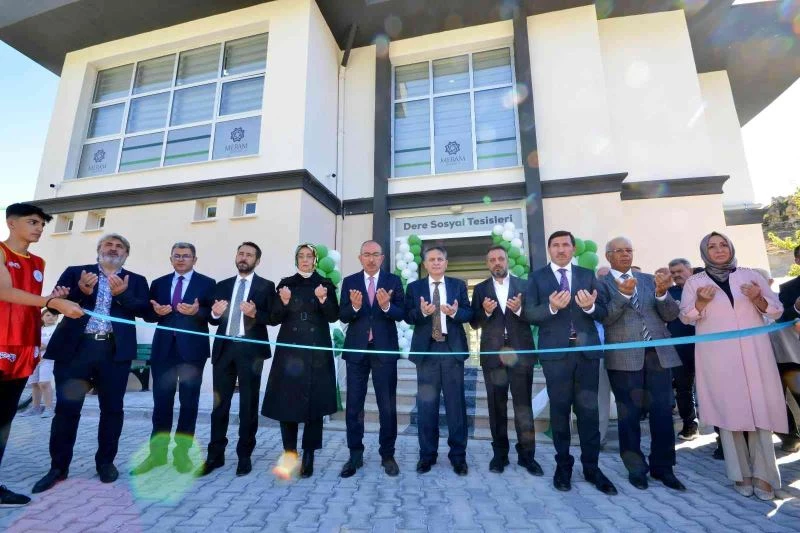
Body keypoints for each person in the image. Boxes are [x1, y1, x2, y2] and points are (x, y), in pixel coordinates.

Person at [33, 233, 149, 494]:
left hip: (114, 352)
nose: (113, 249)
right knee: (66, 410)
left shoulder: (136, 280)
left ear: (126, 254)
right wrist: (81, 292)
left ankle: (105, 463)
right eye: (108, 244)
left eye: (120, 246)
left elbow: (146, 312)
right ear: (98, 249)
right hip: (76, 351)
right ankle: (58, 467)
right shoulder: (75, 272)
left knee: (112, 410)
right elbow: (55, 307)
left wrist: (122, 295)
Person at [679, 232, 785, 500]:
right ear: (705, 252)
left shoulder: (750, 275)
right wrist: (701, 302)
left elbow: (776, 311)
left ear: (731, 247)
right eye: (712, 246)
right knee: (730, 412)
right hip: (718, 357)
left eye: (723, 244)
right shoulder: (694, 282)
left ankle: (764, 476)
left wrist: (758, 297)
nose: (719, 250)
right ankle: (741, 474)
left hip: (755, 353)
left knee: (759, 410)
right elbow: (686, 317)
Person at [0, 203, 80, 506]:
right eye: (33, 222)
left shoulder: (38, 262)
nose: (39, 228)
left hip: (25, 345)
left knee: (4, 419)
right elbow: (4, 291)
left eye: (42, 224)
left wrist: (53, 301)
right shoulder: (1, 252)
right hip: (1, 343)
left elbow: (29, 302)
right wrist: (49, 301)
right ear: (11, 223)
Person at [526, 231, 616, 494]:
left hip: (586, 355)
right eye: (555, 245)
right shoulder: (536, 278)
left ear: (573, 249)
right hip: (556, 357)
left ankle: (592, 468)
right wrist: (551, 308)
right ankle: (563, 466)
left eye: (565, 244)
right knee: (560, 413)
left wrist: (590, 308)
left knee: (588, 413)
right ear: (549, 249)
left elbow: (604, 311)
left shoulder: (587, 276)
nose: (561, 249)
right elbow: (529, 313)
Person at [597, 236, 685, 491]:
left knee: (662, 413)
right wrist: (623, 295)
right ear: (608, 256)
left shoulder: (649, 280)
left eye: (629, 250)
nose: (625, 254)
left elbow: (671, 314)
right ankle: (636, 469)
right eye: (619, 251)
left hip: (658, 354)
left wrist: (662, 293)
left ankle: (664, 468)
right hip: (624, 358)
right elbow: (605, 318)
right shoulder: (600, 285)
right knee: (629, 416)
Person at [131, 243, 215, 476]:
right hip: (164, 351)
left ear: (194, 260)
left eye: (186, 256)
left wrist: (197, 311)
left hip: (192, 352)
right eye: (177, 256)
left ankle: (182, 454)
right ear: (170, 259)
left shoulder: (207, 283)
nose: (181, 259)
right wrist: (155, 312)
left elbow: (213, 316)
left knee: (189, 404)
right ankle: (157, 455)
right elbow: (148, 314)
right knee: (161, 403)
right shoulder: (159, 283)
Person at [199, 242, 276, 478]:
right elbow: (212, 319)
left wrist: (255, 314)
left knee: (248, 405)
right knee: (219, 405)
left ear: (257, 261)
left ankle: (244, 455)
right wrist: (215, 313)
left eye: (249, 255)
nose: (244, 258)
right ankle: (215, 455)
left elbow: (273, 317)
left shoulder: (266, 286)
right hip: (224, 350)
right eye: (241, 253)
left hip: (251, 352)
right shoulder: (222, 285)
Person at [262, 244, 339, 478]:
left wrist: (323, 299)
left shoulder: (324, 284)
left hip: (316, 352)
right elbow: (273, 318)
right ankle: (290, 452)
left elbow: (333, 315)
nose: (305, 260)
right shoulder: (286, 284)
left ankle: (309, 454)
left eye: (309, 256)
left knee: (314, 404)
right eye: (301, 256)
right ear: (296, 259)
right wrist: (284, 302)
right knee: (287, 402)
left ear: (315, 260)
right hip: (290, 352)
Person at [470, 245, 540, 476]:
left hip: (520, 355)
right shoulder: (480, 289)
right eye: (492, 260)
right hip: (493, 357)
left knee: (523, 407)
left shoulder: (525, 285)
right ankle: (500, 455)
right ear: (487, 264)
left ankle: (527, 456)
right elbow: (474, 323)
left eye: (500, 258)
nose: (497, 262)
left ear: (507, 260)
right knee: (496, 406)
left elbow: (536, 316)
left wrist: (519, 310)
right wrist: (486, 312)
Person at [338, 240, 405, 478]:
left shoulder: (393, 281)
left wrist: (386, 306)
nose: (371, 258)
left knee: (387, 406)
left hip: (384, 351)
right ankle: (355, 455)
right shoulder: (350, 282)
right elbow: (343, 315)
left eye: (376, 254)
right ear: (360, 258)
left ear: (382, 258)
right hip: (357, 352)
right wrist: (355, 307)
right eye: (366, 254)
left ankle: (387, 455)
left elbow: (402, 313)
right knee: (354, 406)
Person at [404, 246, 473, 475]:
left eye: (440, 259)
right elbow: (408, 316)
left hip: (451, 351)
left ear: (446, 262)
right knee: (426, 407)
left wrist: (454, 313)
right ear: (425, 264)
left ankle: (458, 457)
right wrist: (423, 312)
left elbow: (468, 313)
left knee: (456, 407)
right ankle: (427, 456)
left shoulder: (457, 285)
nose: (436, 262)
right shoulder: (414, 288)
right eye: (431, 259)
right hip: (427, 353)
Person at [666, 258, 698, 441]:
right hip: (679, 349)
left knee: (712, 389)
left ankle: (721, 434)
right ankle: (690, 425)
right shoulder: (668, 293)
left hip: (706, 347)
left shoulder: (702, 288)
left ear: (690, 270)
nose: (676, 275)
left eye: (680, 271)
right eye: (673, 273)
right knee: (683, 389)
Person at [776, 245, 800, 452]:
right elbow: (781, 316)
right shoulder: (788, 289)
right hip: (795, 357)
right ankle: (792, 438)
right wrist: (797, 308)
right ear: (797, 261)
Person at [20, 310, 58, 418]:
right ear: (42, 317)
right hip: (35, 358)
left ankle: (49, 408)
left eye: (54, 315)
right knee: (35, 383)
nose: (51, 317)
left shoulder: (57, 329)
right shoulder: (38, 329)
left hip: (48, 359)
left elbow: (58, 344)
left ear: (56, 318)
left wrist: (45, 346)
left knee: (44, 383)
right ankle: (35, 408)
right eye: (48, 315)